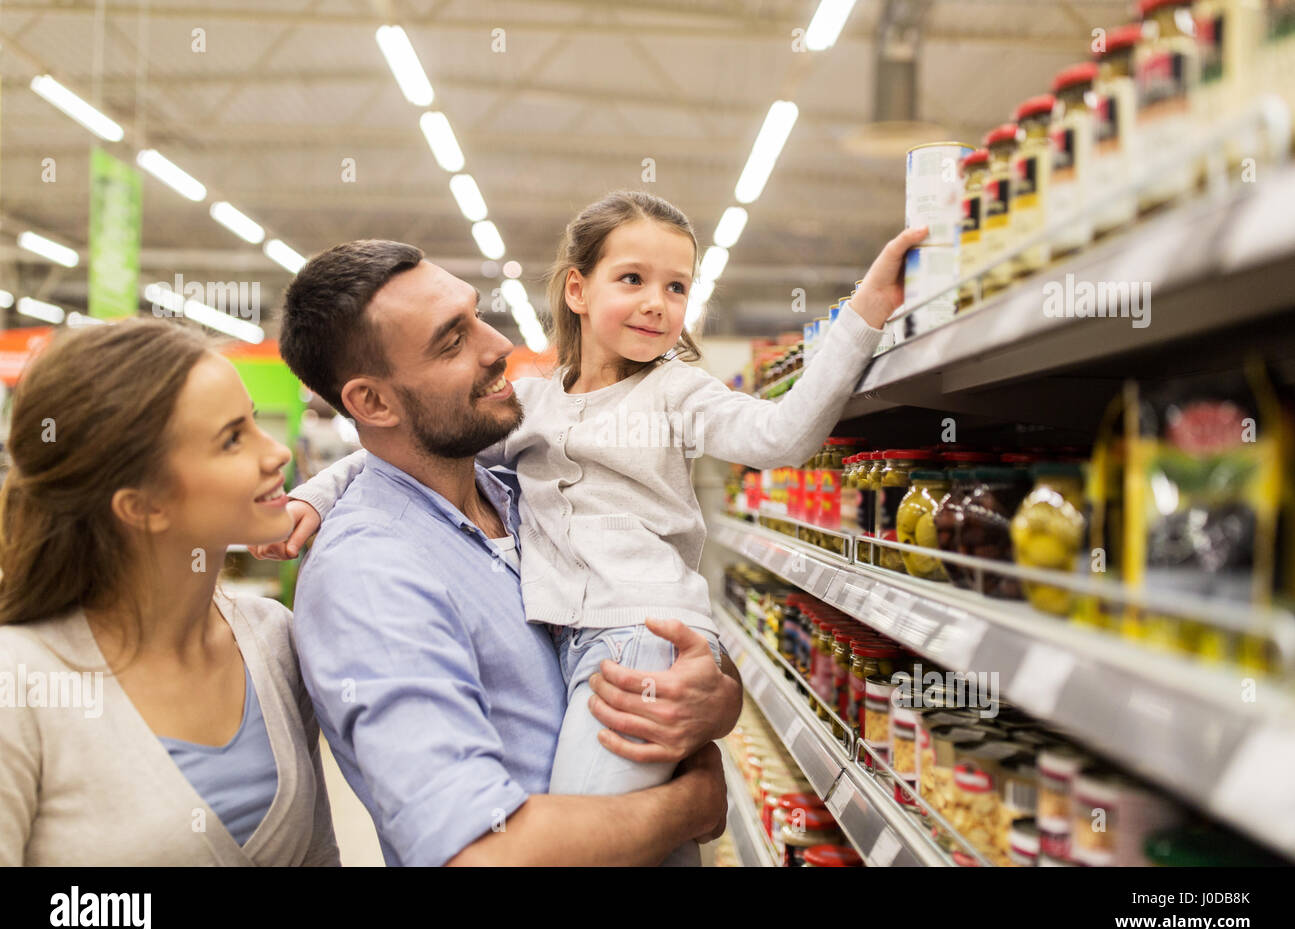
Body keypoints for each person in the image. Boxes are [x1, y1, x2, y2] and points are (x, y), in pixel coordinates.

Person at [274, 194, 926, 865]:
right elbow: (478, 851)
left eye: (677, 287)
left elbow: (781, 434)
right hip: (596, 648)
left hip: (640, 637)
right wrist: (317, 497)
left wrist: (865, 308)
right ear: (578, 290)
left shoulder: (652, 406)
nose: (498, 346)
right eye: (633, 279)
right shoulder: (388, 556)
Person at [273, 238, 738, 866]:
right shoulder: (368, 575)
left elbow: (646, 628)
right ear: (372, 403)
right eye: (452, 340)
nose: (498, 348)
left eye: (475, 317)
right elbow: (477, 854)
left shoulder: (531, 493)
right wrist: (691, 806)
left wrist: (718, 696)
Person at [0, 319, 338, 866]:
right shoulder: (19, 684)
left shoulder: (273, 638)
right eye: (232, 439)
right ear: (141, 505)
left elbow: (317, 854)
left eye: (253, 422)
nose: (276, 452)